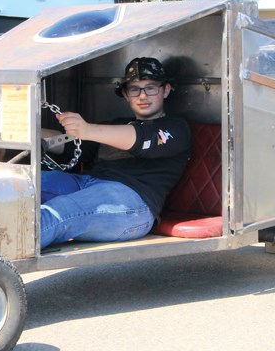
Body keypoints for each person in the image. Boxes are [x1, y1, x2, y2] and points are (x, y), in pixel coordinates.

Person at [40, 57, 192, 249]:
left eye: (151, 87)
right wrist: (21, 128)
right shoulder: (115, 124)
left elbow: (142, 139)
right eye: (134, 89)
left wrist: (88, 130)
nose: (142, 96)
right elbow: (70, 144)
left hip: (133, 204)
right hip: (87, 186)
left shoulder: (176, 128)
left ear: (166, 90)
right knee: (24, 186)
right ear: (126, 95)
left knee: (57, 212)